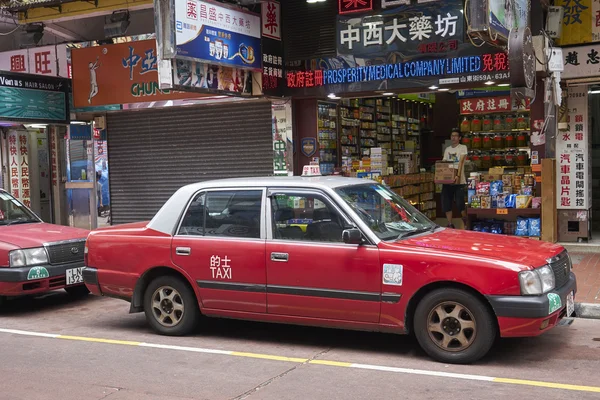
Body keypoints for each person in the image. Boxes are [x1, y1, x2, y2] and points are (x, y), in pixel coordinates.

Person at [441, 128, 468, 229]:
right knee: (446, 202)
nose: (453, 137)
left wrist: (458, 176)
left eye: (456, 136)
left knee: (460, 202)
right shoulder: (447, 149)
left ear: (460, 138)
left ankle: (465, 220)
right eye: (452, 136)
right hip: (448, 180)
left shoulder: (463, 148)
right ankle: (450, 223)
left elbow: (461, 162)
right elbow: (443, 163)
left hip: (459, 180)